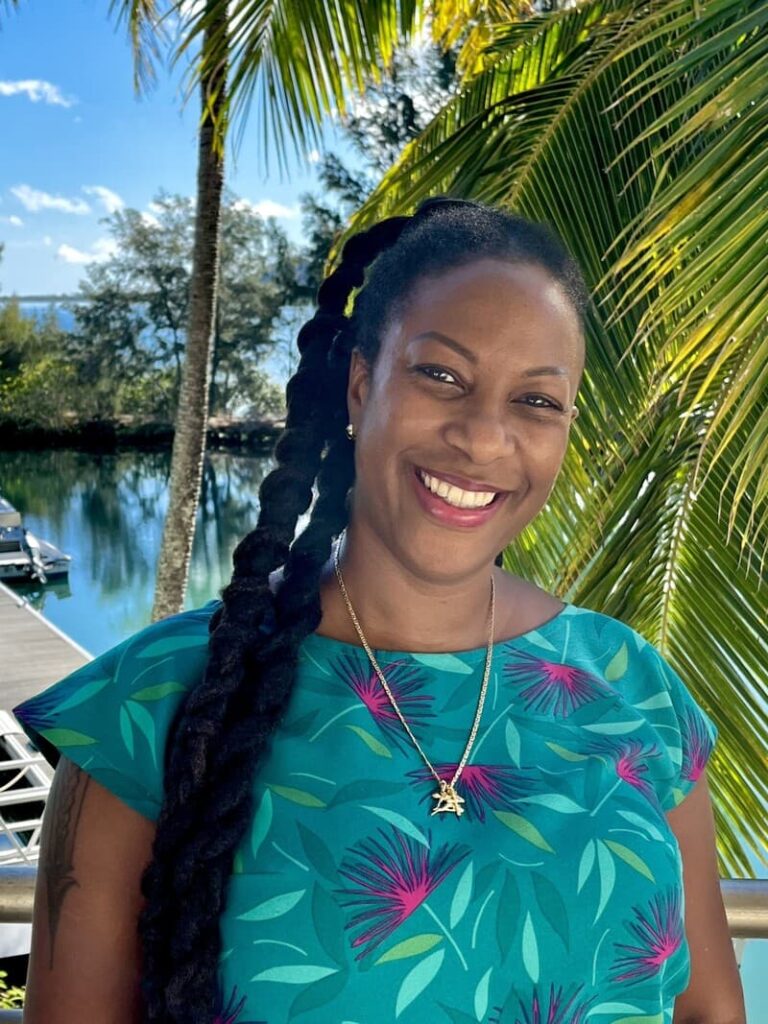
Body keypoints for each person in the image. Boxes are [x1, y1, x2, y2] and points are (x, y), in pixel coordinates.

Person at [12, 198, 745, 1024]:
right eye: (441, 375)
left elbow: (711, 1012)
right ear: (361, 386)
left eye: (537, 401)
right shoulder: (153, 704)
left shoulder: (633, 684)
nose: (483, 437)